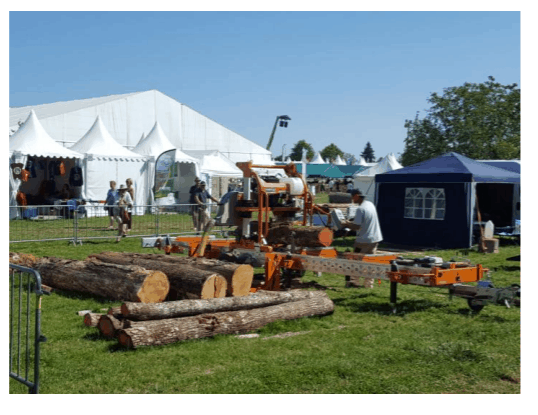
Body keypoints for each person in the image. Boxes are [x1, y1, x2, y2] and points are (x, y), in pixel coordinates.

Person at [341, 189, 383, 289]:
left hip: (364, 240)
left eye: (352, 196)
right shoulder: (370, 204)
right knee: (370, 262)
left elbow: (356, 226)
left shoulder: (360, 209)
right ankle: (369, 284)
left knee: (356, 261)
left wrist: (345, 223)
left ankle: (354, 282)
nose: (351, 198)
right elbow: (364, 220)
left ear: (356, 196)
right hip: (375, 238)